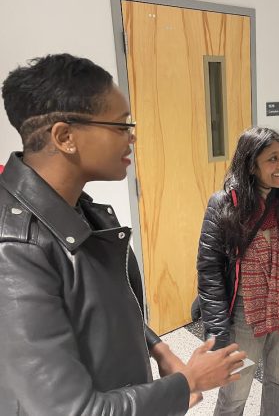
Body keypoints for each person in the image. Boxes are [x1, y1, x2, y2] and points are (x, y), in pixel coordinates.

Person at [0, 53, 246, 416]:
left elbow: (99, 309)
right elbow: (70, 411)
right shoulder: (15, 249)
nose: (131, 137)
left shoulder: (77, 209)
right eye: (120, 126)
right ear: (65, 136)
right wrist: (188, 382)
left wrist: (157, 348)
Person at [195, 126, 279, 416]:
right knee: (235, 391)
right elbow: (209, 269)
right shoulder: (225, 203)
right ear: (251, 165)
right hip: (244, 315)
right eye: (273, 159)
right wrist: (217, 329)